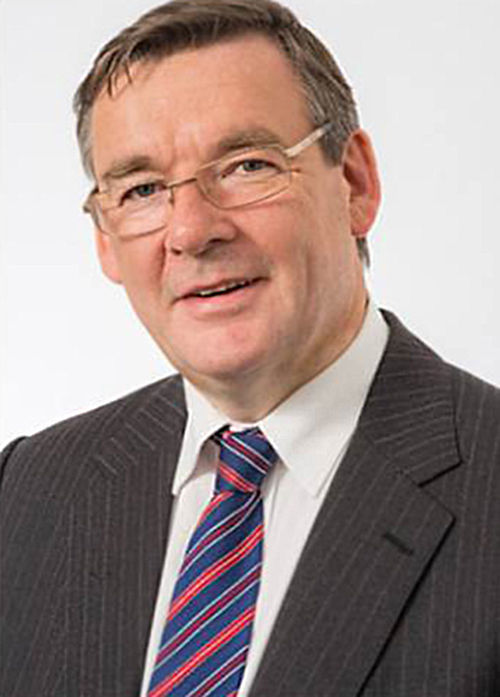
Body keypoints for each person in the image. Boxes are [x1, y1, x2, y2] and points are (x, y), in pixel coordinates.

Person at [1, 0, 499, 695]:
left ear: (354, 184)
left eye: (246, 165)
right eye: (142, 190)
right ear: (105, 239)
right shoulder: (28, 491)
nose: (191, 231)